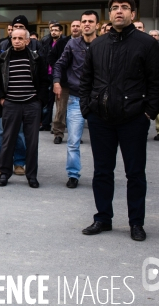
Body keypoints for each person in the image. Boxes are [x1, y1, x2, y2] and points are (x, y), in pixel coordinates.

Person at [79, 0, 159, 241]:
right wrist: (88, 109)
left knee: (135, 174)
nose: (119, 11)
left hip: (133, 120)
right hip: (100, 120)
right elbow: (86, 80)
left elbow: (157, 81)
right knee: (102, 172)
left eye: (124, 8)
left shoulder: (146, 44)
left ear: (133, 14)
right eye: (115, 8)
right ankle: (103, 218)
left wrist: (148, 112)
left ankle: (136, 223)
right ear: (109, 14)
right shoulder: (97, 44)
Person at [0, 28, 48, 188]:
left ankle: (31, 176)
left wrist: (39, 102)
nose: (16, 41)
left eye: (20, 38)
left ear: (27, 41)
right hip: (11, 104)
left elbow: (44, 81)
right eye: (14, 38)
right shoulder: (1, 59)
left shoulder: (37, 58)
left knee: (32, 142)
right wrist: (2, 100)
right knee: (8, 140)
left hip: (32, 105)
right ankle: (4, 173)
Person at [53, 11, 99, 189]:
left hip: (98, 100)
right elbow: (59, 64)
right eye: (84, 21)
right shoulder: (72, 44)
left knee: (101, 141)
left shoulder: (103, 44)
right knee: (73, 141)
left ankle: (101, 175)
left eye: (90, 21)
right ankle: (73, 175)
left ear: (97, 24)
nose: (86, 24)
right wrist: (57, 82)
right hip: (76, 99)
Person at [49, 21, 80, 144]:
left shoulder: (86, 43)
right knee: (61, 109)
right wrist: (59, 69)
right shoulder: (62, 42)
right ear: (70, 28)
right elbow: (51, 57)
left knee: (78, 111)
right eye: (73, 26)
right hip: (64, 82)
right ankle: (58, 133)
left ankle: (75, 135)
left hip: (80, 83)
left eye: (78, 26)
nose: (75, 28)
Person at [38, 21, 63, 132]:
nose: (53, 32)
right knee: (47, 102)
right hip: (47, 75)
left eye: (56, 30)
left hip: (59, 77)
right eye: (52, 30)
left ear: (61, 32)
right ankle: (46, 124)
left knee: (60, 104)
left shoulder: (64, 43)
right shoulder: (46, 42)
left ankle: (58, 127)